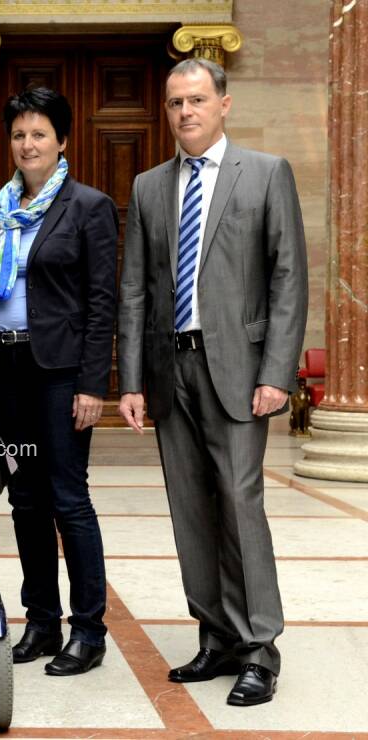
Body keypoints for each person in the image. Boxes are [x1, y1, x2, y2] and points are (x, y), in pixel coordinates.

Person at [118, 58, 308, 706]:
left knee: (240, 503)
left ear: (223, 104)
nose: (185, 112)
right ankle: (215, 636)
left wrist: (277, 373)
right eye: (175, 102)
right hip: (174, 371)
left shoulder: (265, 173)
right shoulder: (148, 187)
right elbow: (136, 290)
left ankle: (259, 648)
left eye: (197, 100)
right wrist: (133, 378)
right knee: (192, 510)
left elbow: (287, 277)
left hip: (240, 369)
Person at [0, 87, 118, 676]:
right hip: (5, 370)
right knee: (25, 499)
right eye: (18, 135)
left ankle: (88, 630)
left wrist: (93, 384)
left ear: (61, 141)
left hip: (61, 375)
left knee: (67, 498)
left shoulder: (88, 205)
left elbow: (101, 300)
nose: (27, 144)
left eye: (38, 134)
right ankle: (40, 621)